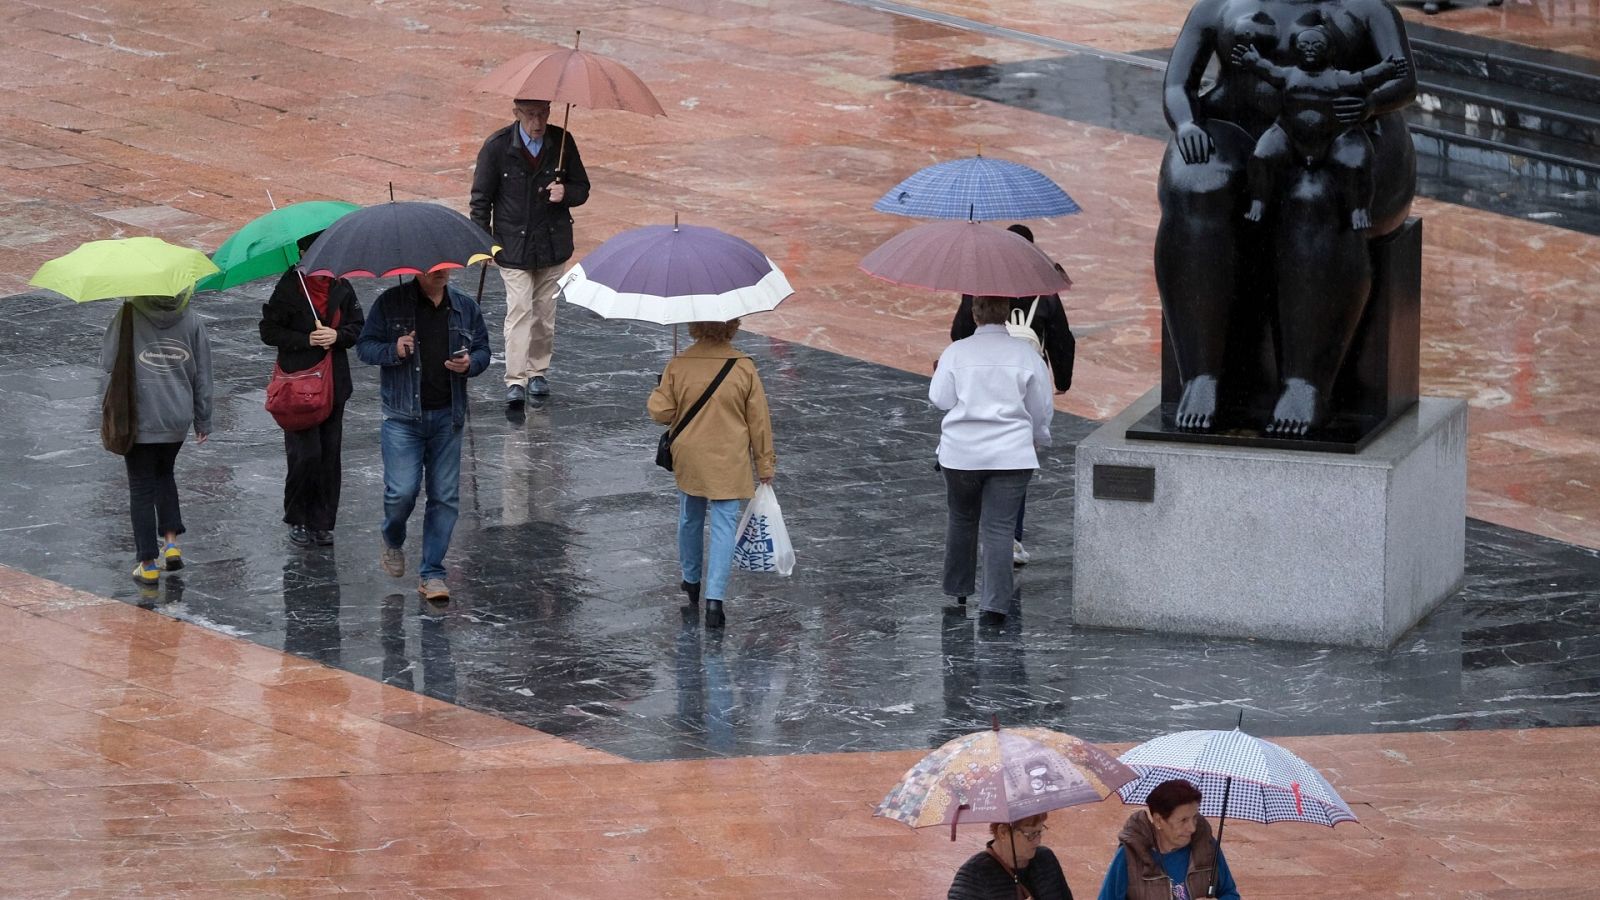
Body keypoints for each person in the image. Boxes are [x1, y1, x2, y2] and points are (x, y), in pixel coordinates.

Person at [1155, 0, 1416, 433]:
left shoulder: (1368, 9)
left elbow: (1404, 81)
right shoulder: (1216, 7)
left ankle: (1306, 382)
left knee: (1313, 196)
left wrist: (1368, 104)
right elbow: (1177, 84)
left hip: (1344, 132)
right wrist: (1185, 124)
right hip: (1236, 127)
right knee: (1195, 187)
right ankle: (1200, 374)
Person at [356, 268, 491, 602]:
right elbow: (365, 347)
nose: (442, 274)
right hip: (403, 418)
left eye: (446, 268)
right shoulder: (391, 303)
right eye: (435, 269)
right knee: (401, 492)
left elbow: (484, 350)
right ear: (417, 270)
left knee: (444, 497)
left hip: (448, 417)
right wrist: (394, 349)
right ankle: (392, 538)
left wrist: (470, 363)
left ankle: (432, 573)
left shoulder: (464, 307)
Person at [950, 224, 1075, 566]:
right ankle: (1011, 538)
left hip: (979, 389)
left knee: (975, 467)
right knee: (1015, 465)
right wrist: (1062, 380)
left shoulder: (979, 287)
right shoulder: (1045, 293)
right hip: (1022, 390)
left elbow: (958, 334)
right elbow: (1063, 340)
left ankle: (981, 529)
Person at [932, 296, 1053, 626]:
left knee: (961, 518)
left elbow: (940, 399)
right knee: (999, 528)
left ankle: (958, 589)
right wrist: (1040, 437)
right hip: (1011, 454)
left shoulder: (956, 352)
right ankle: (995, 605)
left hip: (961, 454)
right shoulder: (1026, 355)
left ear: (974, 314)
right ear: (1007, 314)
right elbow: (1041, 406)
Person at [647, 319, 776, 629]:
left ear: (694, 326)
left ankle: (691, 580)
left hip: (690, 456)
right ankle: (715, 600)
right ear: (732, 326)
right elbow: (759, 422)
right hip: (729, 460)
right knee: (723, 525)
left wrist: (663, 384)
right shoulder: (744, 368)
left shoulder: (680, 364)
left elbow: (659, 413)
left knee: (690, 517)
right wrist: (765, 465)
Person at [470, 97, 591, 407]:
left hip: (552, 245)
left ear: (549, 113)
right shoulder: (497, 147)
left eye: (542, 114)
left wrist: (566, 193)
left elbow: (582, 188)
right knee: (520, 310)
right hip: (513, 246)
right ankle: (516, 379)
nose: (537, 122)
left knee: (544, 314)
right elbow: (481, 199)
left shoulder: (562, 142)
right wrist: (483, 242)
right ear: (516, 114)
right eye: (530, 115)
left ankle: (537, 371)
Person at [1232, 29, 1409, 231]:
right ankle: (1258, 200)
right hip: (1289, 133)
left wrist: (1385, 70)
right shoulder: (1288, 75)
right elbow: (1267, 70)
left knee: (1357, 164)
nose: (1310, 51)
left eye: (1317, 46)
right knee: (1261, 157)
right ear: (1295, 50)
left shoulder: (1338, 78)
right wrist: (1251, 60)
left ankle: (1359, 208)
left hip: (1334, 135)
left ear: (1329, 51)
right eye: (1304, 46)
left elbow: (1363, 78)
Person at [100, 289, 212, 585]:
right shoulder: (192, 319)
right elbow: (203, 374)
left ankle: (147, 561)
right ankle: (171, 544)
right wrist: (204, 419)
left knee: (140, 487)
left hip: (140, 415)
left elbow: (108, 360)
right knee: (165, 474)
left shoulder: (129, 313)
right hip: (177, 416)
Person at [258, 243, 365, 547]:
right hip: (298, 384)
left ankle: (322, 522)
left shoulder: (341, 284)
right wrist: (306, 339)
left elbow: (357, 327)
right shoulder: (291, 286)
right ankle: (297, 517)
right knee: (305, 455)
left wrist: (337, 336)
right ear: (303, 254)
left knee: (330, 455)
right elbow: (269, 331)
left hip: (333, 384)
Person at [1096, 779, 1240, 900]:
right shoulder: (1129, 857)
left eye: (1194, 818)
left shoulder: (1207, 847)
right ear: (1159, 821)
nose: (1192, 828)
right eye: (1183, 820)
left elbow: (1230, 893)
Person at [948, 813, 1073, 899]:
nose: (1037, 841)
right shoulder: (974, 876)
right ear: (1003, 832)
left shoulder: (1045, 858)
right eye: (1030, 834)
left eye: (1039, 832)